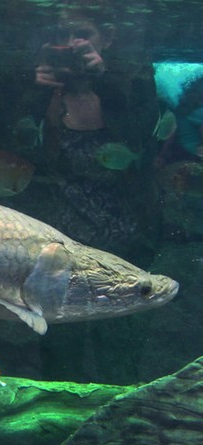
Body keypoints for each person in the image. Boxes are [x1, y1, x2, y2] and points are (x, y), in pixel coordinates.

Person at [31, 0, 158, 257]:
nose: (70, 44)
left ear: (108, 37)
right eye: (61, 36)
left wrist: (104, 78)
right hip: (54, 245)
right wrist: (34, 88)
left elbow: (144, 150)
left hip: (128, 245)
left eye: (82, 34)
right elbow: (19, 158)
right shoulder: (40, 92)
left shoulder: (133, 84)